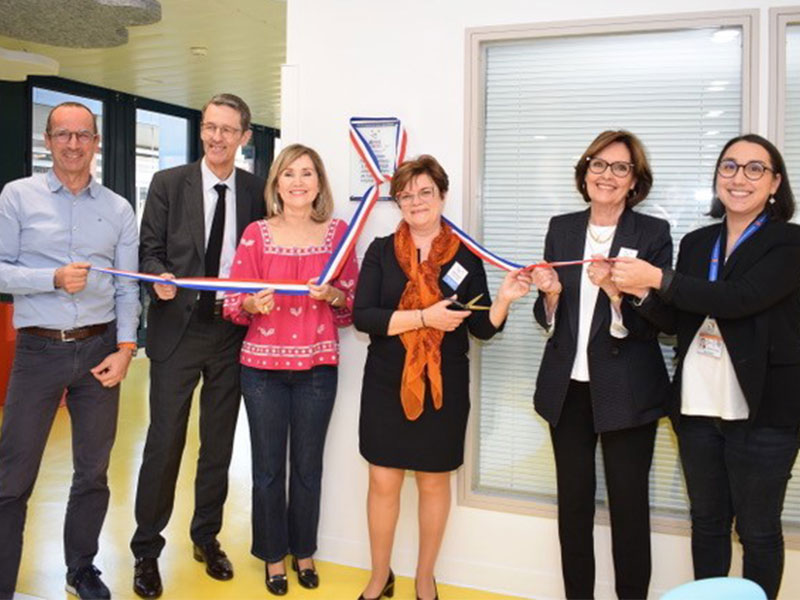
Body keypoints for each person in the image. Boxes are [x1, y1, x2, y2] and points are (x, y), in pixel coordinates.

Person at [610, 134, 800, 599]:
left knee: (757, 530)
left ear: (775, 183)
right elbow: (677, 319)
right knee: (708, 524)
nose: (740, 177)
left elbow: (741, 300)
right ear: (717, 178)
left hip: (765, 413)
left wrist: (657, 278)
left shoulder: (789, 242)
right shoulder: (697, 243)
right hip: (696, 407)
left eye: (756, 169)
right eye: (730, 167)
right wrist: (633, 295)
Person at [354, 154, 531, 600]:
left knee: (434, 481)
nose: (415, 202)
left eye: (424, 192)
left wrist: (505, 299)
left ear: (442, 196)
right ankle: (379, 576)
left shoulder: (466, 257)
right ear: (398, 202)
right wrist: (423, 317)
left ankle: (425, 577)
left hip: (443, 387)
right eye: (406, 195)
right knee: (383, 481)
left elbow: (480, 327)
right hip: (385, 384)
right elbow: (364, 318)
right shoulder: (379, 251)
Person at [0, 101, 140, 600]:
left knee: (93, 472)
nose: (74, 144)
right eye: (63, 135)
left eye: (84, 135)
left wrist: (126, 349)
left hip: (100, 350)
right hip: (39, 351)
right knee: (13, 476)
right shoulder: (17, 197)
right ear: (48, 140)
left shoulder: (119, 209)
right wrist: (51, 279)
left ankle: (81, 568)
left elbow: (128, 289)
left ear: (97, 142)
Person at [131, 93, 266, 598]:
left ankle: (205, 537)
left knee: (218, 445)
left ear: (244, 138)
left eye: (227, 130)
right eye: (210, 127)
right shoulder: (169, 184)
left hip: (231, 332)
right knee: (164, 442)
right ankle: (146, 549)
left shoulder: (256, 191)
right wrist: (156, 277)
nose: (216, 137)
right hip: (177, 331)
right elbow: (149, 250)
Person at [529, 130, 672, 599]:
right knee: (573, 508)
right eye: (598, 164)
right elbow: (548, 315)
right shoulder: (562, 227)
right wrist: (549, 297)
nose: (606, 175)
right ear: (585, 172)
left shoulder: (652, 234)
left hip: (628, 390)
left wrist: (615, 293)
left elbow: (661, 323)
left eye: (619, 168)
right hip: (568, 389)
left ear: (634, 181)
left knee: (629, 510)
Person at [223, 143, 358, 596]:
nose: (298, 182)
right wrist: (249, 303)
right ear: (276, 183)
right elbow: (231, 303)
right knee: (266, 470)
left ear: (319, 183)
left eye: (307, 174)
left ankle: (304, 550)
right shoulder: (255, 235)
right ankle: (272, 556)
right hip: (260, 371)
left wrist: (334, 297)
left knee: (307, 467)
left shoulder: (339, 234)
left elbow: (351, 306)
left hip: (318, 369)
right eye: (289, 174)